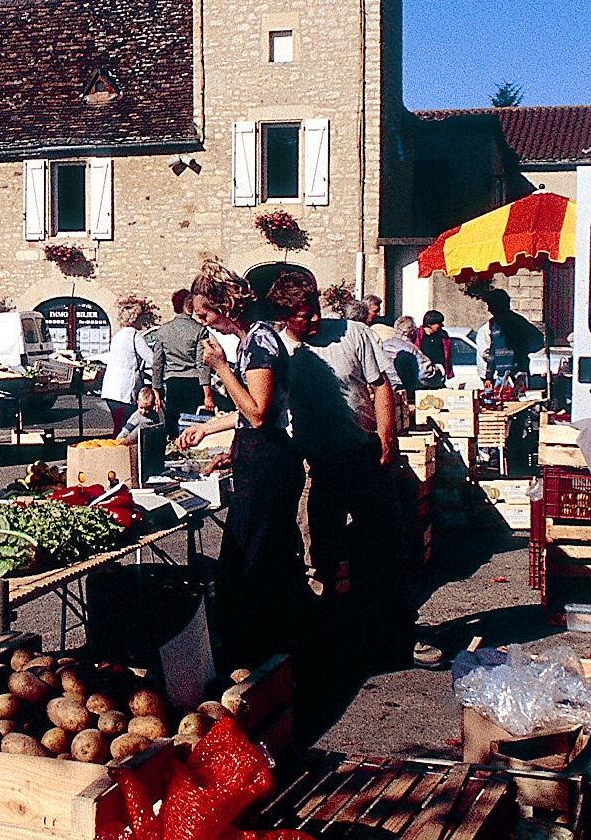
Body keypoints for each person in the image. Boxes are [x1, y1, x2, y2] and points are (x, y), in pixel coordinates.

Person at [263, 271, 410, 664]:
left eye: (314, 310)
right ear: (284, 318)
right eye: (301, 315)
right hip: (316, 466)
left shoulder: (354, 334)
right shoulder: (278, 349)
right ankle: (332, 639)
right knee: (320, 555)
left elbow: (381, 387)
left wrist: (386, 439)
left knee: (384, 548)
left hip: (364, 456)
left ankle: (397, 633)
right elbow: (264, 406)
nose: (312, 320)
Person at [176, 264, 303, 669]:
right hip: (261, 456)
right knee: (269, 556)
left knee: (243, 562)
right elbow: (250, 415)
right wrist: (224, 440)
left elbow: (260, 413)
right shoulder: (255, 339)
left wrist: (220, 368)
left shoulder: (258, 342)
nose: (202, 321)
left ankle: (254, 654)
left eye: (204, 313)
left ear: (225, 304)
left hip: (268, 461)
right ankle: (280, 646)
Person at [147, 289, 214, 438]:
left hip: (173, 383)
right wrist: (207, 394)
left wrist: (156, 388)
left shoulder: (163, 331)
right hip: (193, 382)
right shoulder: (199, 330)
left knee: (172, 424)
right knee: (193, 423)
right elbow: (202, 364)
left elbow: (157, 363)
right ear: (189, 305)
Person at [472, 288, 543, 388]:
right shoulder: (493, 325)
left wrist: (522, 351)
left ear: (499, 305)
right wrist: (488, 377)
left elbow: (539, 339)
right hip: (501, 376)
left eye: (490, 305)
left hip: (518, 375)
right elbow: (492, 352)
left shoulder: (517, 322)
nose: (489, 309)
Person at [100, 306, 155, 432]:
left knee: (118, 425)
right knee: (126, 427)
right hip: (125, 391)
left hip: (111, 389)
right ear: (135, 319)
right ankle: (122, 450)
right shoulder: (135, 337)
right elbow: (151, 359)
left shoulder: (117, 337)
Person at [380, 315, 439, 399]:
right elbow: (424, 373)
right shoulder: (410, 348)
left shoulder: (383, 345)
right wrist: (437, 370)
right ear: (412, 332)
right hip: (404, 392)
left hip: (386, 390)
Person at [417, 310, 455, 381]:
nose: (442, 325)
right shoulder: (417, 336)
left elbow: (447, 355)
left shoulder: (443, 336)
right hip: (423, 374)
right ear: (430, 324)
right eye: (439, 323)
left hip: (439, 374)